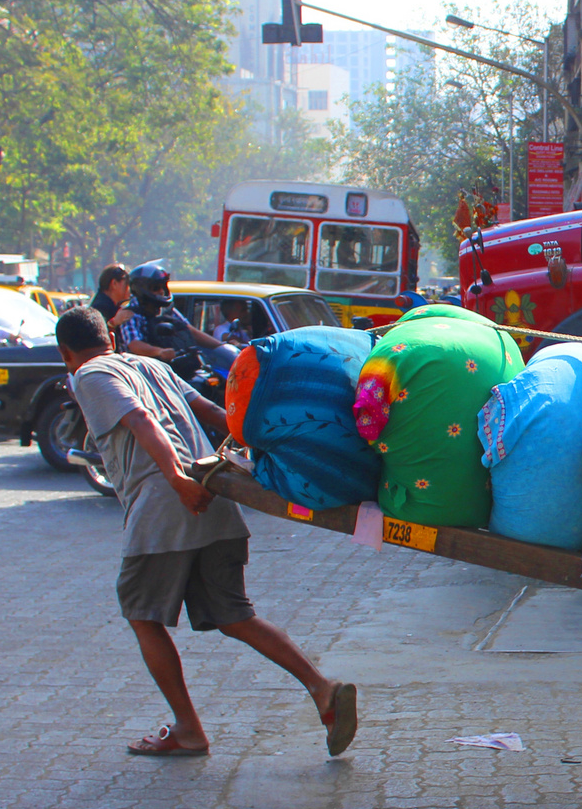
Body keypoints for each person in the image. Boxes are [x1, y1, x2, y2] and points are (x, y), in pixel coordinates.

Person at [56, 306, 358, 757]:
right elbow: (214, 411)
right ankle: (322, 688)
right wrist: (269, 445)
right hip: (214, 496)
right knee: (235, 615)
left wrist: (177, 479)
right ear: (112, 338)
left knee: (142, 614)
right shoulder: (151, 365)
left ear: (66, 354)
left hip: (166, 506)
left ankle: (188, 729)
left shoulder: (90, 374)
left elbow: (140, 420)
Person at [118, 263, 238, 374]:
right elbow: (134, 344)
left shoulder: (166, 310)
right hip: (142, 372)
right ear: (140, 289)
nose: (161, 292)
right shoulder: (130, 313)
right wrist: (159, 352)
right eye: (155, 288)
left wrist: (222, 347)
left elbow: (190, 330)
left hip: (170, 368)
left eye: (162, 287)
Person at [89, 264, 134, 332]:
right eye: (127, 283)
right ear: (114, 283)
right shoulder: (100, 308)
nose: (129, 288)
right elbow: (96, 334)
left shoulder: (114, 305)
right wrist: (113, 323)